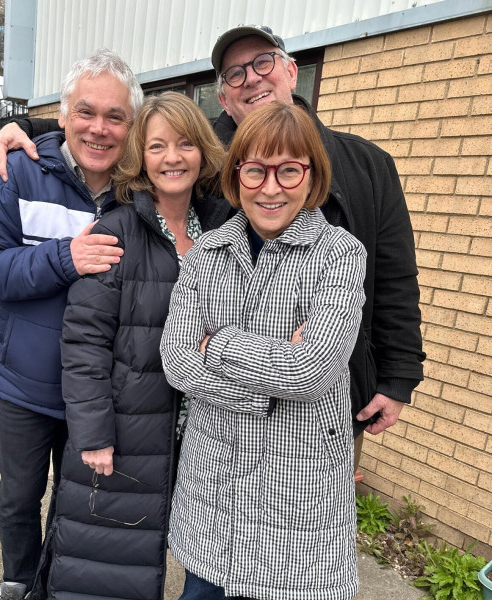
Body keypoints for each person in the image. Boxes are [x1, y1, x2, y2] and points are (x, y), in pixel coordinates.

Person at [0, 24, 425, 470]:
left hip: (324, 407)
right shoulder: (213, 161)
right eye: (234, 74)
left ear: (292, 71)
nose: (251, 78)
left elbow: (396, 278)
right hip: (219, 408)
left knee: (301, 523)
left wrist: (398, 375)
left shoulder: (368, 165)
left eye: (263, 62)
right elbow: (126, 128)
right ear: (226, 101)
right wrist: (22, 126)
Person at [0, 50, 143, 600]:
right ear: (62, 115)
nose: (99, 129)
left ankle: (57, 584)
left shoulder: (140, 192)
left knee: (77, 504)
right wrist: (64, 257)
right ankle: (18, 582)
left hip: (98, 394)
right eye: (86, 112)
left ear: (130, 126)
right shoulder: (22, 172)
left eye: (115, 117)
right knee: (19, 497)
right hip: (24, 386)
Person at [160, 101, 367, 600]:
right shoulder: (207, 254)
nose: (270, 188)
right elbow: (176, 362)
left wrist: (218, 343)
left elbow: (310, 373)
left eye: (288, 170)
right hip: (215, 481)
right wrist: (263, 386)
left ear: (311, 174)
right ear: (236, 175)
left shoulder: (338, 254)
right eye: (255, 170)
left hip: (294, 485)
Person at [41, 92, 231, 600]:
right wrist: (93, 432)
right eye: (157, 146)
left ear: (203, 151)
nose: (172, 157)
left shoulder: (226, 229)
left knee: (208, 561)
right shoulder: (117, 230)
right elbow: (84, 342)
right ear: (139, 157)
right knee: (110, 566)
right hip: (131, 431)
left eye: (185, 143)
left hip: (208, 434)